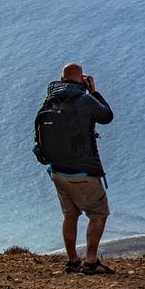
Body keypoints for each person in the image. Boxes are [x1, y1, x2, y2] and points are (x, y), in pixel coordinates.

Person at [35, 63, 115, 275]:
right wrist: (94, 91)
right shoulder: (85, 99)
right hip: (83, 171)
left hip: (57, 171)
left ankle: (72, 261)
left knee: (70, 215)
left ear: (62, 80)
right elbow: (107, 116)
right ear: (81, 79)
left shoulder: (49, 101)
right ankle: (90, 261)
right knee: (98, 213)